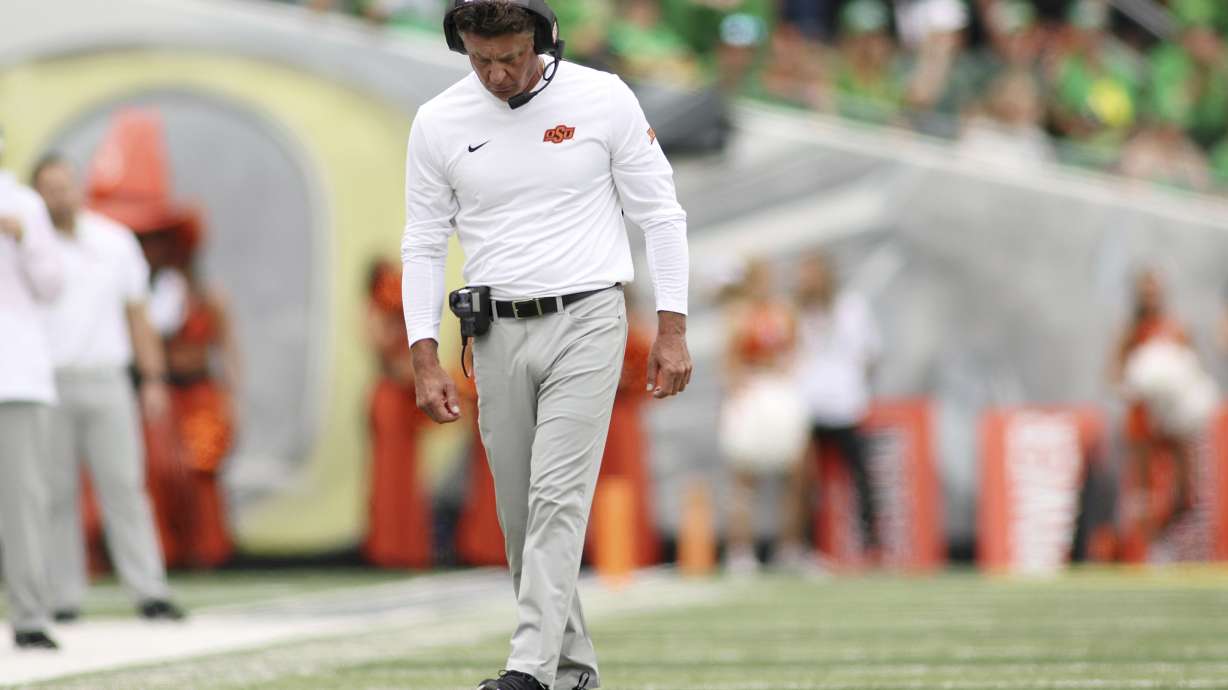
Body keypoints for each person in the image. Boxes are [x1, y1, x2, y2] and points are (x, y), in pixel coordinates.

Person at [400, 2, 691, 688]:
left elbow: (661, 211)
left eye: (511, 56)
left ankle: (527, 670)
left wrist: (673, 327)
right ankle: (573, 671)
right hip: (492, 331)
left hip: (588, 317)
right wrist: (422, 352)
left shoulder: (603, 97)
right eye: (481, 59)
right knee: (519, 513)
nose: (498, 74)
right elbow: (422, 239)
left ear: (544, 36)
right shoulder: (438, 120)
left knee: (558, 498)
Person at [31, 154, 185, 622]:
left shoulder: (113, 242)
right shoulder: (28, 248)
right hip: (50, 382)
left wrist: (153, 378)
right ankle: (62, 596)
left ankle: (148, 589)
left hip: (106, 378)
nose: (59, 195)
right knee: (55, 493)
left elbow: (138, 314)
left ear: (77, 186)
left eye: (64, 185)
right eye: (49, 188)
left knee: (125, 486)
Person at [86, 108, 239, 571]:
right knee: (148, 472)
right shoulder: (125, 292)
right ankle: (153, 553)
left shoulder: (200, 293)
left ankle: (202, 552)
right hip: (155, 393)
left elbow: (227, 348)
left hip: (196, 394)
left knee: (198, 473)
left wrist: (231, 397)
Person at [0, 126, 64, 650]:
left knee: (21, 500)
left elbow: (51, 286)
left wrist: (23, 238)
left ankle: (29, 615)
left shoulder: (23, 204)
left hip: (14, 372)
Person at [718, 258, 811, 575]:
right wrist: (740, 386)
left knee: (795, 475)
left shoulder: (784, 312)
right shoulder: (739, 314)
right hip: (754, 392)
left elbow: (797, 349)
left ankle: (791, 547)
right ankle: (741, 550)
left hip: (780, 392)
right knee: (745, 477)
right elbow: (729, 359)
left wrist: (788, 372)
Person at [795, 251, 883, 560]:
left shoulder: (851, 308)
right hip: (806, 405)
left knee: (861, 476)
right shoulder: (795, 312)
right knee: (805, 481)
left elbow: (871, 353)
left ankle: (872, 545)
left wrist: (855, 384)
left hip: (847, 403)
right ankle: (807, 548)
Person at [363, 259, 433, 568]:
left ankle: (410, 546)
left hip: (405, 398)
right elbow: (386, 357)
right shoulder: (372, 315)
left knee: (408, 476)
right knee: (388, 476)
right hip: (391, 395)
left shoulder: (403, 316)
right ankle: (388, 546)